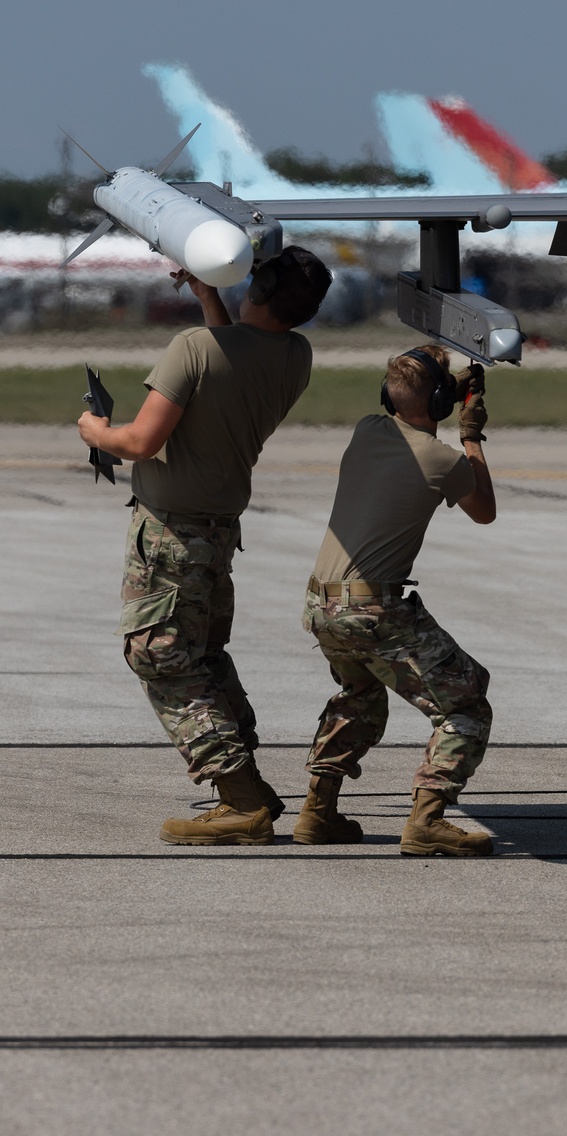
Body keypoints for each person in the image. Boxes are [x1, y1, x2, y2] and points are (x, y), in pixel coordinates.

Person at [77, 246, 332, 846]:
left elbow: (138, 441)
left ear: (261, 290)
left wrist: (93, 430)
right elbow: (235, 354)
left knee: (160, 657)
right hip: (216, 536)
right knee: (204, 660)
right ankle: (248, 788)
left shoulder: (193, 348)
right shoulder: (295, 354)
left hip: (170, 535)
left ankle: (241, 799)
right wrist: (209, 297)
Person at [296, 345, 497, 856]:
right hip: (372, 609)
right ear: (438, 400)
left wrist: (444, 388)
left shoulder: (367, 429)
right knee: (467, 704)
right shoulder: (443, 459)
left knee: (359, 696)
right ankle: (427, 820)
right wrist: (471, 433)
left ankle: (317, 813)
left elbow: (414, 402)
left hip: (322, 605)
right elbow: (484, 510)